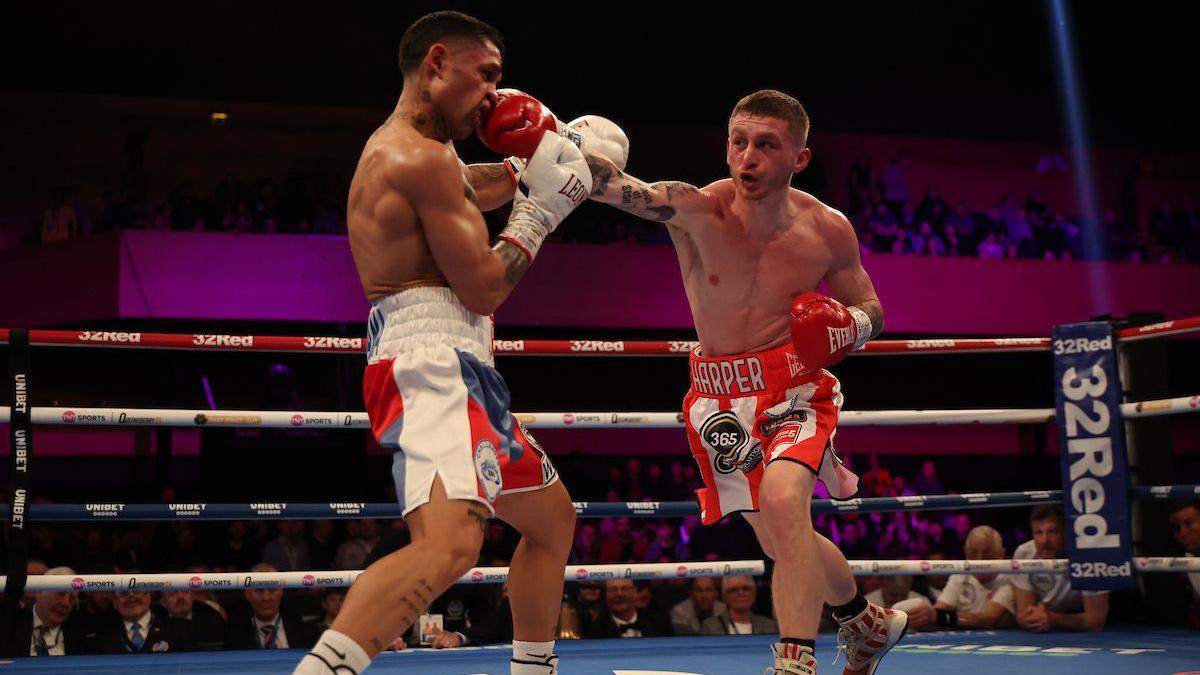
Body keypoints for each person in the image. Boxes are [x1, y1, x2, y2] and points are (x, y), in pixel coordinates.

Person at [293, 10, 598, 675]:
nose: (494, 94)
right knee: (451, 545)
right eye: (484, 75)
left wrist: (540, 162)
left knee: (551, 519)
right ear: (437, 62)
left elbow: (470, 188)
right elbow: (487, 285)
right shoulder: (414, 155)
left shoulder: (431, 151)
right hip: (431, 361)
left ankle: (534, 668)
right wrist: (540, 210)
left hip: (462, 363)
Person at [587, 89, 904, 674]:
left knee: (786, 503)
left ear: (799, 159)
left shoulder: (827, 229)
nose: (747, 157)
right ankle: (864, 623)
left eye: (765, 145)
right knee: (780, 539)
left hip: (795, 389)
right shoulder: (694, 208)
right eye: (738, 142)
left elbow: (871, 306)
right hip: (717, 396)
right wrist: (555, 153)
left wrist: (852, 326)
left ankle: (795, 661)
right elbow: (620, 190)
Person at [1011, 505, 1109, 632]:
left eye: (1052, 532)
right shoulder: (1024, 553)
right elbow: (1023, 614)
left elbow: (1096, 621)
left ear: (1066, 532)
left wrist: (1053, 619)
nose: (1045, 540)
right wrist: (1033, 618)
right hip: (1044, 624)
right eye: (1038, 533)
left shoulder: (1088, 554)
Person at [907, 526, 1015, 631]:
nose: (979, 559)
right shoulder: (960, 575)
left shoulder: (1009, 577)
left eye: (987, 553)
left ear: (1001, 554)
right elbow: (938, 611)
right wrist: (922, 617)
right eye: (973, 553)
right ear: (965, 552)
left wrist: (939, 617)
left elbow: (988, 619)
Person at [0, 566, 86, 657]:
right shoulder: (7, 622)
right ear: (39, 592)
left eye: (72, 598)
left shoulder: (80, 632)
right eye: (60, 593)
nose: (65, 603)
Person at [700, 576, 777, 635]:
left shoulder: (770, 626)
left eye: (746, 588)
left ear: (754, 593)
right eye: (734, 589)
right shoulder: (710, 626)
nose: (741, 593)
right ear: (724, 596)